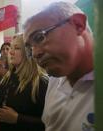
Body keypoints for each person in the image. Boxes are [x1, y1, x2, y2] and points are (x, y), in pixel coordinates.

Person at [23, 2, 94, 131]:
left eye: (40, 37)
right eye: (29, 48)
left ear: (78, 25)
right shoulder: (54, 80)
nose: (35, 53)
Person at [0, 34, 48, 131]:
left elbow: (49, 123)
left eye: (17, 48)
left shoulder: (40, 82)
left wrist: (18, 119)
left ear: (28, 52)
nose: (11, 52)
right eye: (11, 48)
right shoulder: (7, 78)